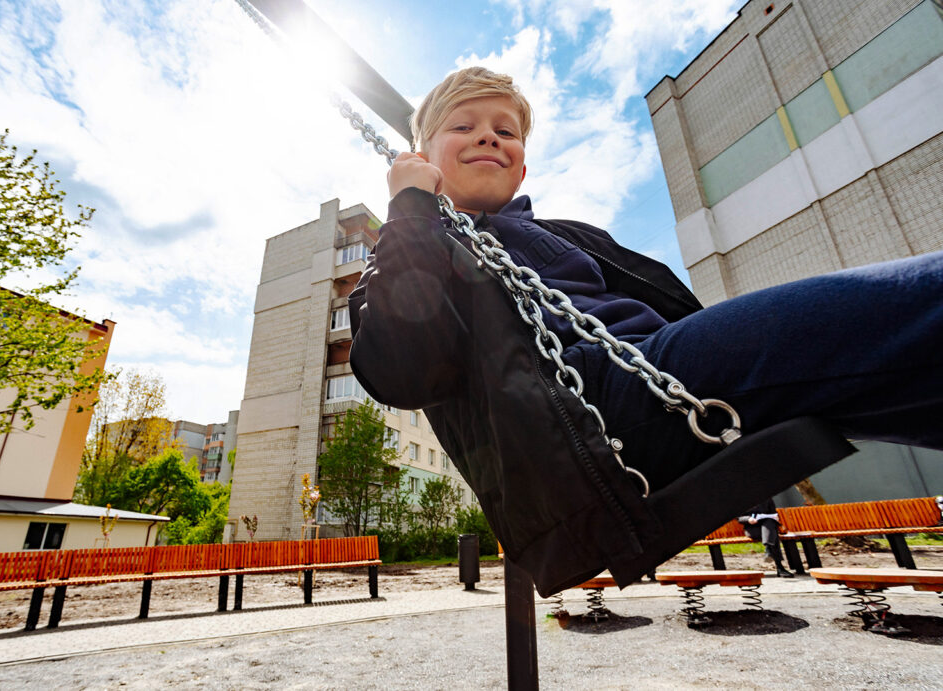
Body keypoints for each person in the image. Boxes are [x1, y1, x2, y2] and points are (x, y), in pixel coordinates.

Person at [348, 66, 943, 593]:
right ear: (420, 158)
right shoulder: (410, 251)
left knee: (897, 379)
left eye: (505, 131)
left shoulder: (568, 234)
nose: (488, 136)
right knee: (903, 305)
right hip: (594, 417)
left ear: (522, 165)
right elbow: (404, 371)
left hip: (663, 370)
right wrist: (411, 212)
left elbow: (677, 311)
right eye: (464, 126)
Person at [739, 499, 793, 578]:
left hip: (768, 526)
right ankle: (779, 567)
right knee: (773, 534)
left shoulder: (767, 498)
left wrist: (775, 517)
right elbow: (738, 518)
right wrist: (748, 519)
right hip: (753, 528)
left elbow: (773, 513)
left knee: (770, 524)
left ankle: (769, 549)